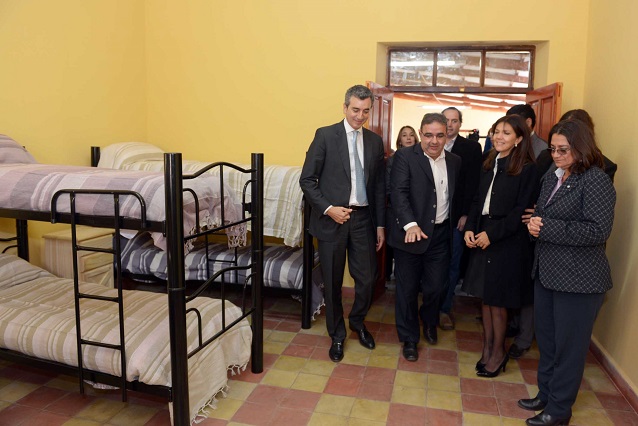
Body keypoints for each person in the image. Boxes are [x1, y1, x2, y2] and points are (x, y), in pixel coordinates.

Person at [519, 119, 616, 426]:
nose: (556, 155)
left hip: (579, 280)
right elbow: (542, 215)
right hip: (547, 273)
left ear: (581, 148)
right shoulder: (553, 176)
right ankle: (545, 394)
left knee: (569, 350)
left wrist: (546, 227)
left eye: (563, 150)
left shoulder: (596, 180)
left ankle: (559, 410)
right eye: (553, 149)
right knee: (548, 343)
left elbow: (598, 231)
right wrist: (534, 225)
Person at [299, 84, 386, 363]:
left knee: (368, 279)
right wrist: (328, 209)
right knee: (333, 282)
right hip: (332, 220)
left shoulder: (374, 142)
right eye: (355, 110)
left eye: (365, 111)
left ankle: (357, 322)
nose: (360, 116)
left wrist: (380, 226)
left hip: (363, 219)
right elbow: (307, 180)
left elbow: (379, 187)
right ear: (345, 107)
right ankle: (337, 334)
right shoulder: (325, 135)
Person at [463, 115, 538, 378]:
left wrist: (491, 235)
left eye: (506, 133)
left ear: (519, 138)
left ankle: (498, 353)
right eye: (496, 131)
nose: (499, 137)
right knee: (486, 299)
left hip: (506, 241)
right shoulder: (488, 162)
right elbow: (477, 200)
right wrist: (470, 227)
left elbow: (520, 212)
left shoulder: (527, 169)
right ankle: (487, 349)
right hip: (482, 232)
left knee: (498, 302)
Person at [387, 113, 461, 361]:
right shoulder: (405, 157)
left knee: (436, 287)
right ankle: (409, 338)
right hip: (410, 235)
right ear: (421, 134)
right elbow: (398, 193)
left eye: (440, 135)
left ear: (447, 135)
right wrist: (410, 224)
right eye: (428, 135)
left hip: (440, 235)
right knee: (407, 290)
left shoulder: (454, 161)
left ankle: (429, 320)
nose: (434, 141)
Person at [438, 107, 482, 331]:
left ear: (460, 124)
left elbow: (474, 185)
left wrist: (466, 214)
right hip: (432, 218)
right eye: (446, 120)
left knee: (452, 264)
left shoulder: (471, 148)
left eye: (454, 121)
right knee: (431, 264)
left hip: (457, 218)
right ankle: (429, 306)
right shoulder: (431, 144)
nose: (450, 124)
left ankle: (444, 308)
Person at [385, 126, 419, 287]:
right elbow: (389, 187)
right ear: (399, 140)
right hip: (397, 211)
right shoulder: (393, 159)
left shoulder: (421, 158)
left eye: (411, 135)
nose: (408, 138)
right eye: (404, 135)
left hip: (418, 213)